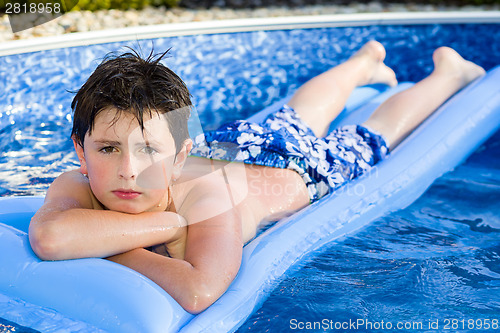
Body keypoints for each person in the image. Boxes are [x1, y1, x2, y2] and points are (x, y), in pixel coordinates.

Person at [28, 41, 485, 314]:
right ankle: (362, 65)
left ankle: (446, 75)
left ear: (175, 156)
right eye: (108, 149)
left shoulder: (203, 195)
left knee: (369, 136)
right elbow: (50, 238)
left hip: (297, 172)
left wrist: (108, 245)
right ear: (80, 153)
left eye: (147, 151)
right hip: (225, 147)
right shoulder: (78, 183)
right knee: (293, 115)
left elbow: (198, 289)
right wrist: (166, 227)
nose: (128, 168)